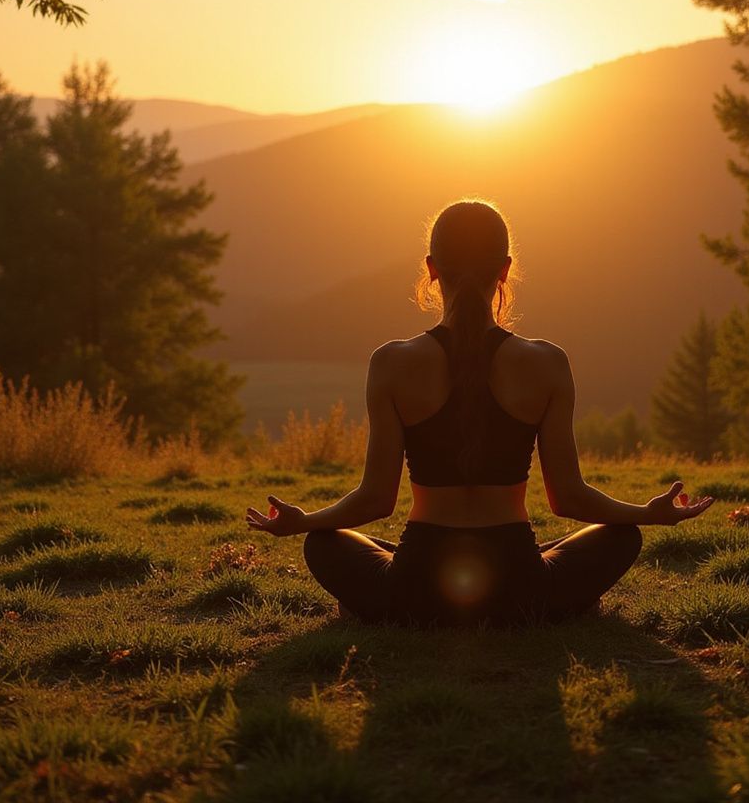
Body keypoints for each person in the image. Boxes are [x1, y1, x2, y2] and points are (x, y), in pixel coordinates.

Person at [246, 199, 715, 627]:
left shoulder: (391, 363)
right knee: (621, 536)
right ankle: (553, 601)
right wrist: (647, 514)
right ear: (505, 270)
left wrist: (303, 522)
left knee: (324, 543)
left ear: (431, 269)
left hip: (413, 588)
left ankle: (390, 596)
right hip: (523, 588)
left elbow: (375, 501)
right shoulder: (547, 362)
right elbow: (568, 499)